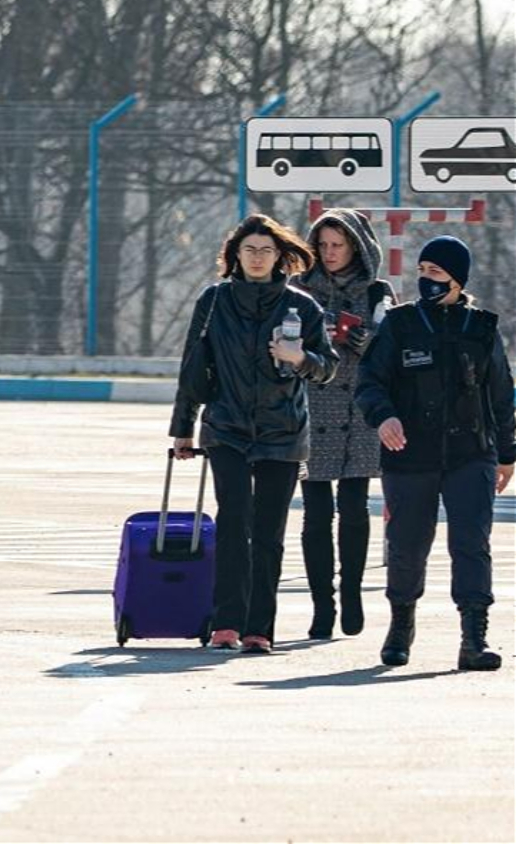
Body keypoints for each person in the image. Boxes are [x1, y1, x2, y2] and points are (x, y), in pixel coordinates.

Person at [170, 213, 338, 654]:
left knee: (268, 532)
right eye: (250, 250)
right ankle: (226, 622)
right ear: (235, 256)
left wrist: (300, 358)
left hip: (283, 431)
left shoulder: (302, 306)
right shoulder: (214, 301)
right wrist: (183, 429)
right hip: (226, 427)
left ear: (280, 255)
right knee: (232, 523)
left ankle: (258, 628)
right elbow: (192, 366)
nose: (258, 258)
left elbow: (328, 368)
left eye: (266, 250)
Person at [355, 235, 514, 671]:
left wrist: (507, 453)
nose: (426, 279)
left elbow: (502, 394)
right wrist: (383, 416)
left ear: (458, 280)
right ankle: (400, 626)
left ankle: (473, 638)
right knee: (407, 546)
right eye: (422, 271)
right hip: (409, 455)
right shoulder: (400, 324)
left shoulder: (481, 327)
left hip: (471, 453)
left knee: (471, 545)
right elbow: (369, 380)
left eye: (436, 273)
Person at [295, 209, 395, 639]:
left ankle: (352, 593)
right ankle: (322, 604)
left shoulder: (377, 291)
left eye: (339, 245)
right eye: (324, 245)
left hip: (359, 413)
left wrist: (363, 340)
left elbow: (393, 348)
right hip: (310, 411)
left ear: (356, 246)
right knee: (315, 515)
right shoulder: (298, 289)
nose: (330, 253)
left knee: (354, 509)